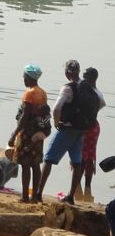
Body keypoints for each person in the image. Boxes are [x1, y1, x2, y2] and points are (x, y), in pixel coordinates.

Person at [36, 59, 100, 205]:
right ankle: (71, 197)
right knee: (77, 162)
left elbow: (57, 108)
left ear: (67, 73)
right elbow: (100, 102)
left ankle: (38, 194)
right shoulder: (88, 86)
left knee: (48, 159)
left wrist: (57, 122)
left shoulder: (68, 88)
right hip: (82, 129)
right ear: (78, 71)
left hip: (68, 128)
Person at [8, 64, 50, 203]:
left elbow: (24, 117)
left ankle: (25, 196)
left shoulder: (29, 94)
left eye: (24, 77)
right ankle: (35, 196)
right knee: (36, 164)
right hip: (38, 134)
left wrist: (14, 134)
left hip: (27, 133)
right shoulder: (42, 93)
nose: (23, 79)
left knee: (25, 164)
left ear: (29, 78)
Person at [78, 67, 106, 202]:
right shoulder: (95, 93)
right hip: (92, 126)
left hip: (88, 128)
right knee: (84, 156)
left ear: (93, 78)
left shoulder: (93, 93)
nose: (83, 78)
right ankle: (84, 190)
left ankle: (82, 186)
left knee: (86, 156)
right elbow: (99, 107)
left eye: (86, 76)